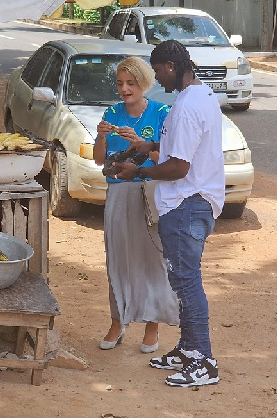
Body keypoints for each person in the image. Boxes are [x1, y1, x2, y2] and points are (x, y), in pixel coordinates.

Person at [114, 40, 224, 387]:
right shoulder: (201, 96)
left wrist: (139, 172)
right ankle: (188, 349)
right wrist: (150, 146)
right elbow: (183, 148)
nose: (157, 79)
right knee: (182, 280)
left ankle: (204, 361)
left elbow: (179, 167)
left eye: (159, 71)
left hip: (186, 204)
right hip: (193, 202)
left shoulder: (188, 106)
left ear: (172, 67)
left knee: (187, 281)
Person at [93, 56, 179, 353]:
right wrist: (101, 137)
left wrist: (142, 143)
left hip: (150, 192)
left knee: (152, 260)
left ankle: (152, 326)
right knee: (117, 260)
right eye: (120, 83)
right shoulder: (112, 113)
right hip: (118, 193)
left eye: (131, 83)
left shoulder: (162, 113)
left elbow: (170, 158)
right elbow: (99, 160)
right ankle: (118, 322)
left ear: (144, 83)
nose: (124, 89)